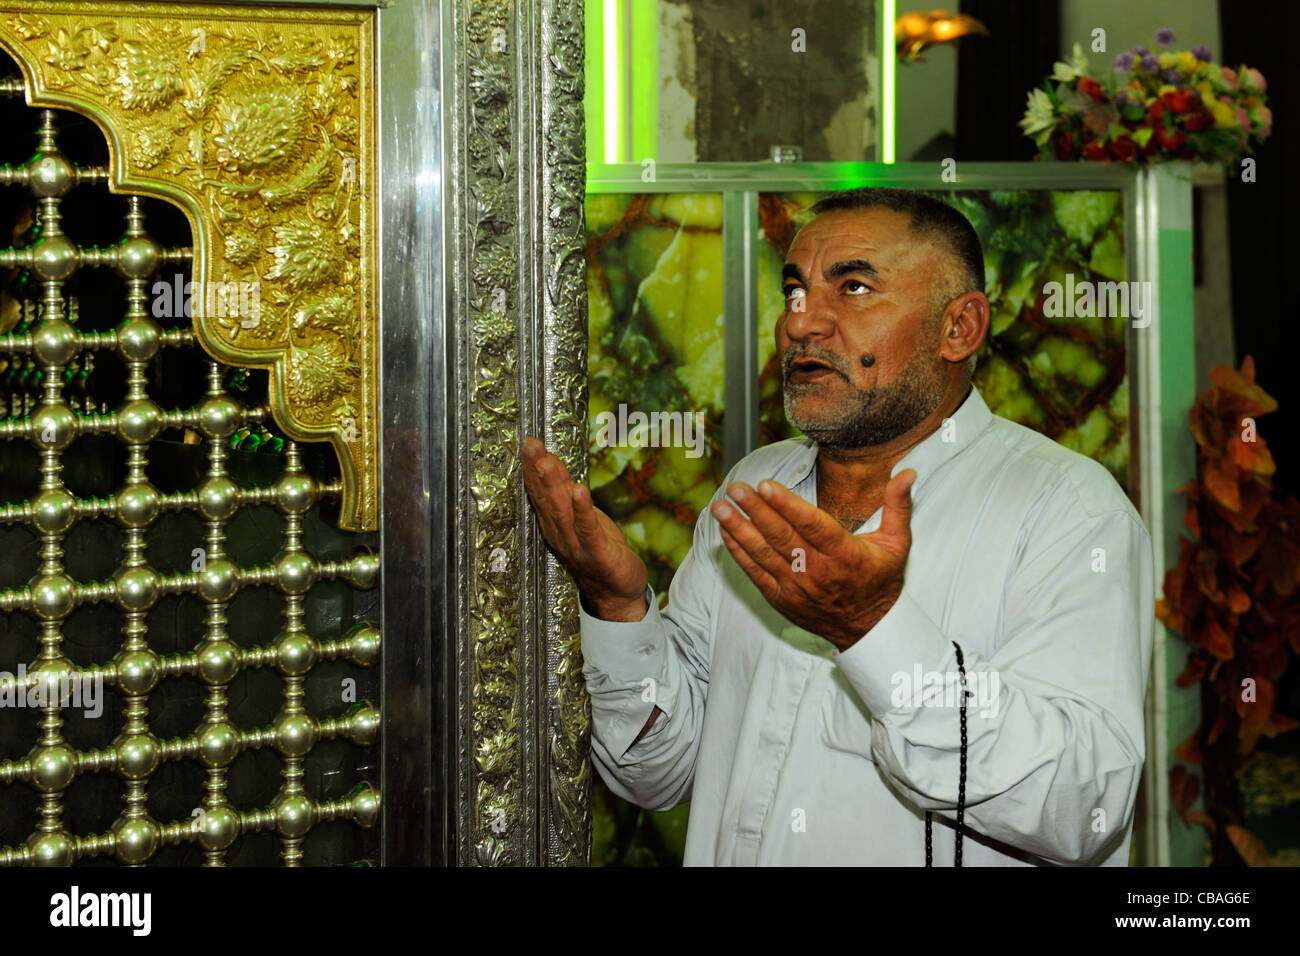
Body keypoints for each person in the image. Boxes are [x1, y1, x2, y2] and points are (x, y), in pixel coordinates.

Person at [522, 187, 1154, 866]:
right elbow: (657, 772)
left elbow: (1086, 807)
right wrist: (618, 608)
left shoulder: (1066, 510)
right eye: (795, 291)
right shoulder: (753, 488)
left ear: (959, 328)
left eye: (852, 287)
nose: (802, 323)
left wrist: (873, 631)